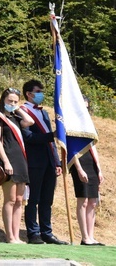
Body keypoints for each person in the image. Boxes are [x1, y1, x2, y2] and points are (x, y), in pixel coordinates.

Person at [19, 79, 67, 245]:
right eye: (38, 91)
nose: (41, 94)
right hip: (34, 161)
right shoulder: (22, 111)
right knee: (33, 199)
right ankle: (33, 233)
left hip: (49, 161)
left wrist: (57, 162)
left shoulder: (44, 113)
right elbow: (28, 137)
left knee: (47, 199)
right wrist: (52, 135)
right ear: (29, 93)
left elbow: (51, 142)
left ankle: (47, 232)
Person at [0, 87, 34, 243]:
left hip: (21, 160)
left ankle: (16, 236)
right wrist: (6, 161)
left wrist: (19, 109)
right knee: (9, 200)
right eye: (10, 101)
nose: (12, 103)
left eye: (15, 101)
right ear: (3, 100)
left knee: (19, 200)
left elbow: (30, 121)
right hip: (8, 160)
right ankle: (9, 236)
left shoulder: (15, 117)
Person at [71, 99, 105, 246]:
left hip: (91, 163)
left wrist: (98, 167)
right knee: (83, 200)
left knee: (92, 201)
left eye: (87, 106)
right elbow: (71, 148)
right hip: (79, 162)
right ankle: (84, 237)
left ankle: (91, 237)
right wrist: (78, 168)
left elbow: (93, 147)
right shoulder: (71, 124)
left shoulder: (89, 124)